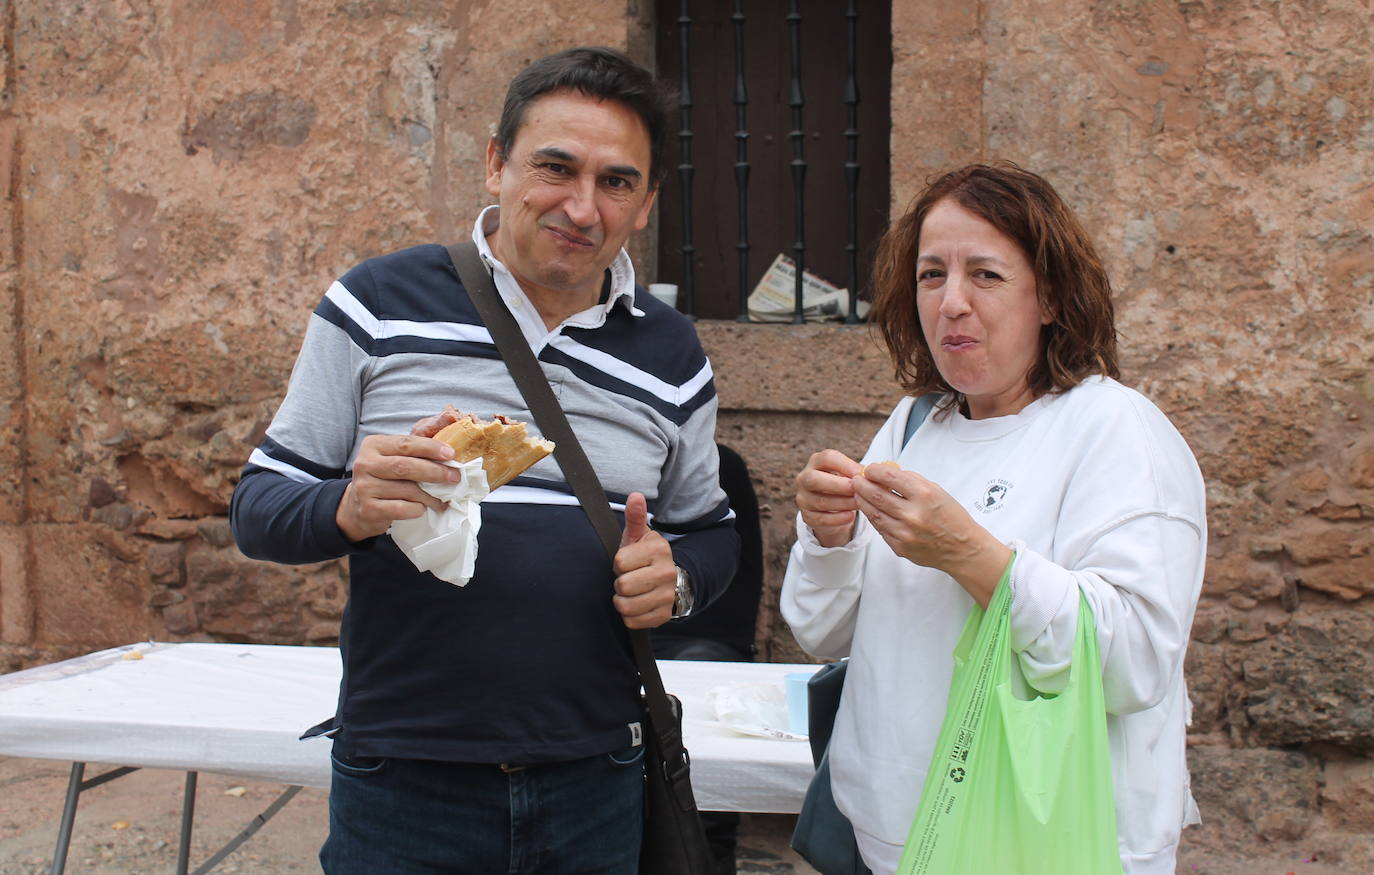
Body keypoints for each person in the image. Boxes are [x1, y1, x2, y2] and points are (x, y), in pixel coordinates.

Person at [230, 47, 739, 874]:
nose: (581, 207)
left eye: (616, 182)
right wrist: (349, 508)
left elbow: (712, 531)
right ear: (497, 162)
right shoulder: (377, 304)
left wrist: (674, 579)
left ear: (646, 204)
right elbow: (258, 507)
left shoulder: (671, 352)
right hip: (404, 778)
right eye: (555, 167)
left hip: (597, 774)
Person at [782, 162, 1206, 875]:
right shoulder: (916, 425)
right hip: (891, 839)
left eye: (985, 274)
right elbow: (822, 631)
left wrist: (972, 556)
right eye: (930, 274)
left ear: (1049, 295)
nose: (951, 302)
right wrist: (831, 538)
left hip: (1047, 846)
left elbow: (1136, 661)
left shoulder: (1118, 432)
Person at [652, 441, 764, 875]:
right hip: (616, 636)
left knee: (701, 804)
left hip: (700, 637)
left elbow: (736, 575)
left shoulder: (720, 464)